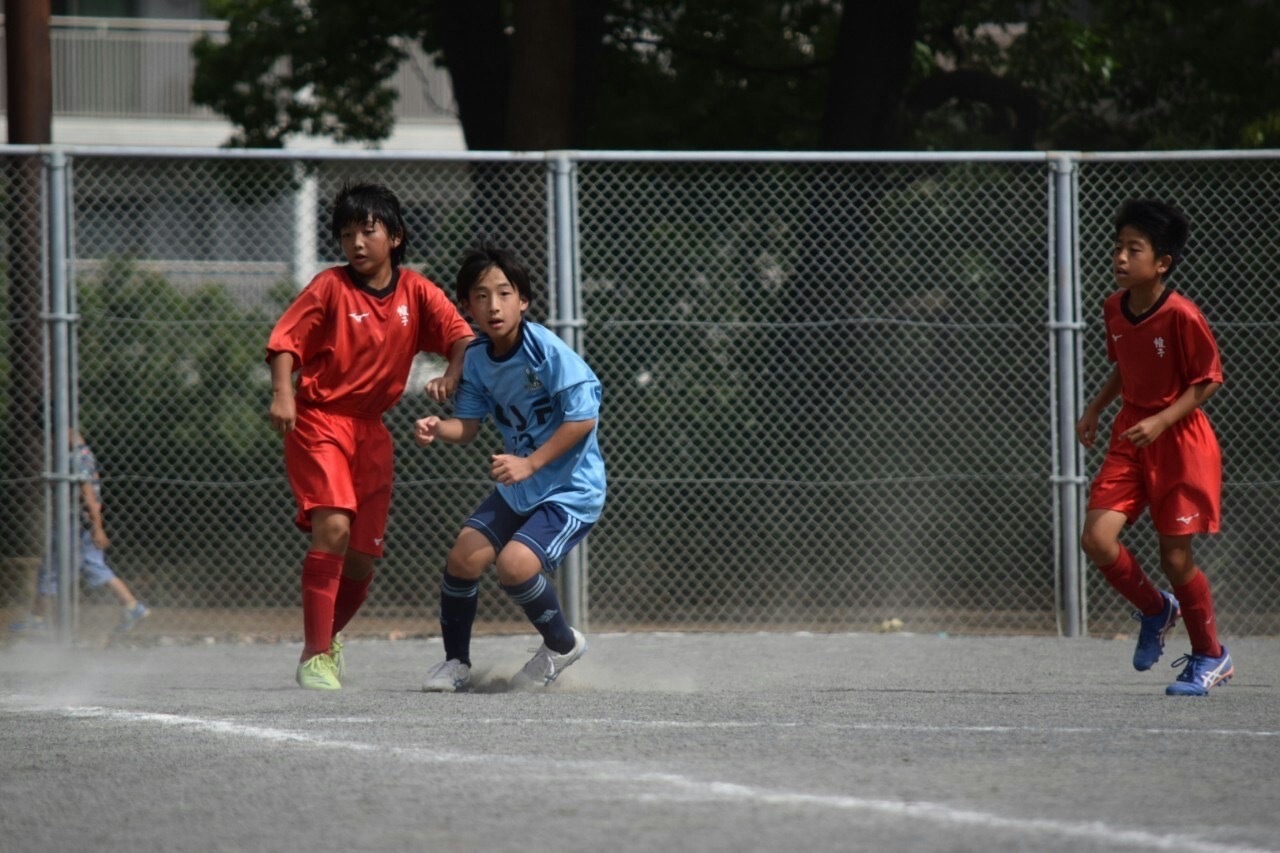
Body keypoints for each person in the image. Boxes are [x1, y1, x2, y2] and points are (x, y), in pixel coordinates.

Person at [266, 182, 475, 691]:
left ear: (395, 236)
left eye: (367, 230)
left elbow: (462, 336)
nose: (356, 243)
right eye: (345, 234)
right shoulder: (329, 287)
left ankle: (325, 639)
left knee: (361, 557)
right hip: (320, 419)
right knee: (333, 528)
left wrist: (452, 370)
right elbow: (285, 344)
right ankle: (317, 655)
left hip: (372, 431)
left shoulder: (417, 291)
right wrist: (283, 394)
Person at [415, 244, 605, 692]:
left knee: (515, 566)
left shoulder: (547, 352)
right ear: (467, 306)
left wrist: (530, 463)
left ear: (523, 301)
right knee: (463, 557)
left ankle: (561, 644)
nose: (493, 305)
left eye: (504, 293)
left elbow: (584, 418)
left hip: (569, 490)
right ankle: (456, 663)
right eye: (481, 296)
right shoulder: (478, 359)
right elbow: (469, 427)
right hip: (521, 486)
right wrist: (439, 428)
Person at [1076, 199, 1232, 696]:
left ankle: (1211, 655)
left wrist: (1163, 420)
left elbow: (1209, 380)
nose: (1120, 257)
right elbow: (1127, 363)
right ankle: (1155, 608)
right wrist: (1096, 408)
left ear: (1161, 262)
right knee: (1097, 540)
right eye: (1118, 247)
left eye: (1133, 249)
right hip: (1130, 433)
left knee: (1175, 558)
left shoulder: (1182, 314)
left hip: (1179, 441)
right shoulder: (1113, 308)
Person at [9, 429, 149, 635]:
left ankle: (37, 620)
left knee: (50, 570)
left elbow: (89, 496)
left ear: (67, 432)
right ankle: (132, 606)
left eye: (54, 436)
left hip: (73, 523)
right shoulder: (84, 454)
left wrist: (98, 527)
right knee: (94, 565)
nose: (51, 442)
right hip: (82, 524)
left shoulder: (76, 458)